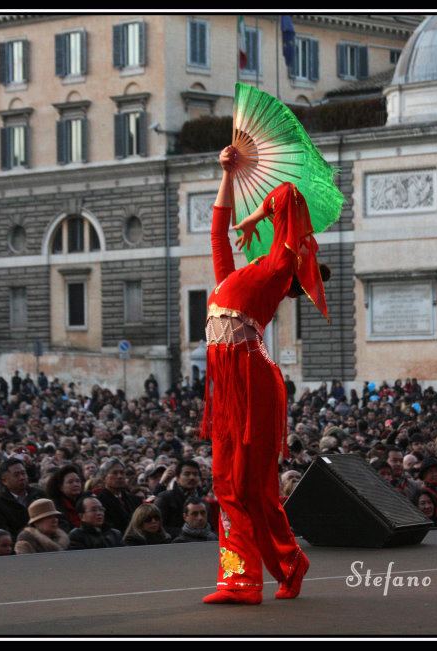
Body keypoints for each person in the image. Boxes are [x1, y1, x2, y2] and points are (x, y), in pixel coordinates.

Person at [197, 147, 329, 605]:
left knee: (254, 487)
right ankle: (239, 580)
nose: (251, 247)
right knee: (225, 485)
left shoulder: (275, 272)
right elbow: (218, 231)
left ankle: (289, 562)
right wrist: (227, 173)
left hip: (254, 382)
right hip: (226, 388)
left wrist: (255, 215)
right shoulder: (228, 279)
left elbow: (288, 194)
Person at [0, 457, 46, 538]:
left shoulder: (39, 494)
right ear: (4, 481)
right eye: (16, 475)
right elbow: (2, 533)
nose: (22, 477)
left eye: (23, 473)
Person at [154, 460, 206, 539]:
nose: (192, 477)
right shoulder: (165, 498)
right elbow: (157, 527)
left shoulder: (204, 500)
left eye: (195, 474)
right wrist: (188, 534)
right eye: (187, 474)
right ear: (177, 478)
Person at [93, 458, 142, 535]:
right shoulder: (99, 502)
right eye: (115, 473)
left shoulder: (135, 500)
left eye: (122, 473)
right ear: (104, 478)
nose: (120, 476)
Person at [45, 463, 86, 534]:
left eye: (77, 481)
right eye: (70, 482)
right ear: (61, 487)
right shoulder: (55, 506)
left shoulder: (86, 501)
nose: (76, 484)